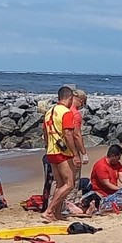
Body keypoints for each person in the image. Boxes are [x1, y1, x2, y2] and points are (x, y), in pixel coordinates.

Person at [42, 86, 80, 221]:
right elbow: (68, 134)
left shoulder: (49, 112)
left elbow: (45, 134)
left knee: (59, 184)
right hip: (63, 152)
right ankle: (49, 210)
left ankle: (57, 214)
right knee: (69, 184)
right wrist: (75, 154)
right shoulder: (66, 112)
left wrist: (48, 147)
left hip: (51, 151)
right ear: (70, 98)